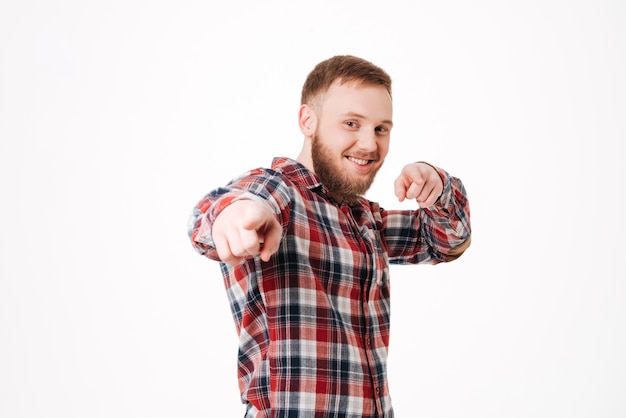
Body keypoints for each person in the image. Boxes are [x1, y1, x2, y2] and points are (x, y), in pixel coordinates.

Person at [188, 55, 471, 417]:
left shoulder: (365, 219)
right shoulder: (278, 191)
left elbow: (446, 241)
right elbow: (215, 213)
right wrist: (236, 214)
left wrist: (437, 183)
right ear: (308, 121)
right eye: (351, 123)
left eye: (381, 129)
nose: (369, 144)